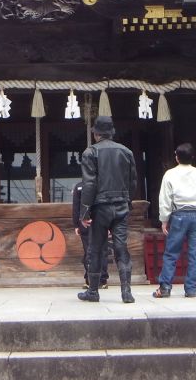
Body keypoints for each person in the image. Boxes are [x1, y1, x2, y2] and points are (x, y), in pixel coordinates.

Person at [77, 116, 138, 304]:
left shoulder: (90, 152)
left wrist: (84, 211)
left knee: (96, 248)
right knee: (121, 247)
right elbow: (133, 181)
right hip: (121, 205)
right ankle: (126, 292)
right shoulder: (126, 152)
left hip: (100, 207)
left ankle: (93, 291)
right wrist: (128, 201)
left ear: (96, 134)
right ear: (112, 132)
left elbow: (89, 184)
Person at [152, 142, 196, 299]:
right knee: (194, 253)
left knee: (171, 252)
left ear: (177, 157)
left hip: (178, 215)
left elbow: (165, 199)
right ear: (192, 157)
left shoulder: (170, 174)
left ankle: (165, 288)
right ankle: (191, 289)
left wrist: (164, 219)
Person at [71, 180, 109, 289]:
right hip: (101, 221)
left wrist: (76, 224)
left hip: (85, 222)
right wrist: (109, 224)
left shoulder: (79, 186)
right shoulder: (102, 185)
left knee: (89, 251)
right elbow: (106, 206)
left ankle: (89, 279)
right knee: (102, 250)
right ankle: (102, 280)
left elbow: (76, 207)